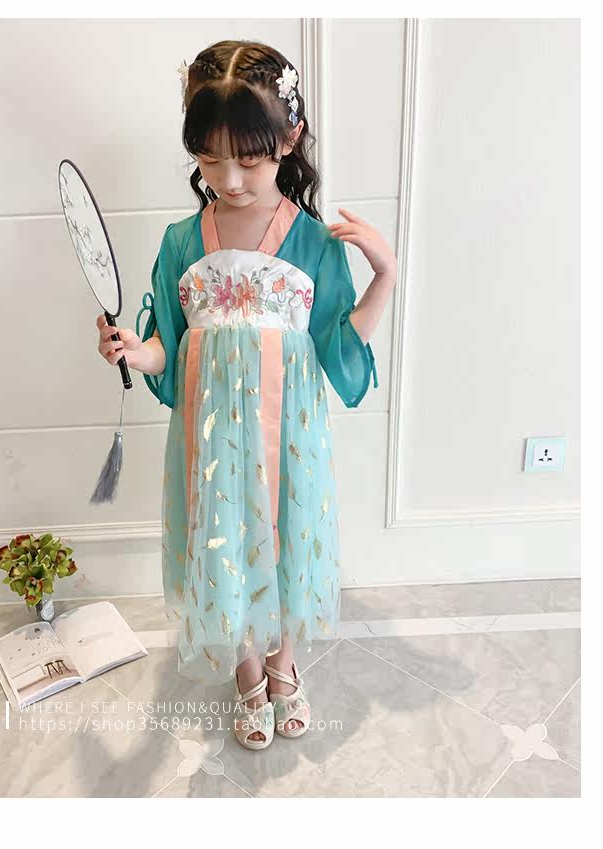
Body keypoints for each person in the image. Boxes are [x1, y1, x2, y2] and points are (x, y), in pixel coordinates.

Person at [96, 40, 396, 751]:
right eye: (209, 160)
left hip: (288, 435)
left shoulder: (314, 242)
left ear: (289, 140)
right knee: (222, 538)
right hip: (212, 442)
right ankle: (247, 670)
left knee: (286, 535)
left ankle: (285, 663)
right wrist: (136, 350)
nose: (229, 180)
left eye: (250, 160)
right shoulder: (181, 241)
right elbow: (168, 344)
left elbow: (337, 346)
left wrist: (384, 273)